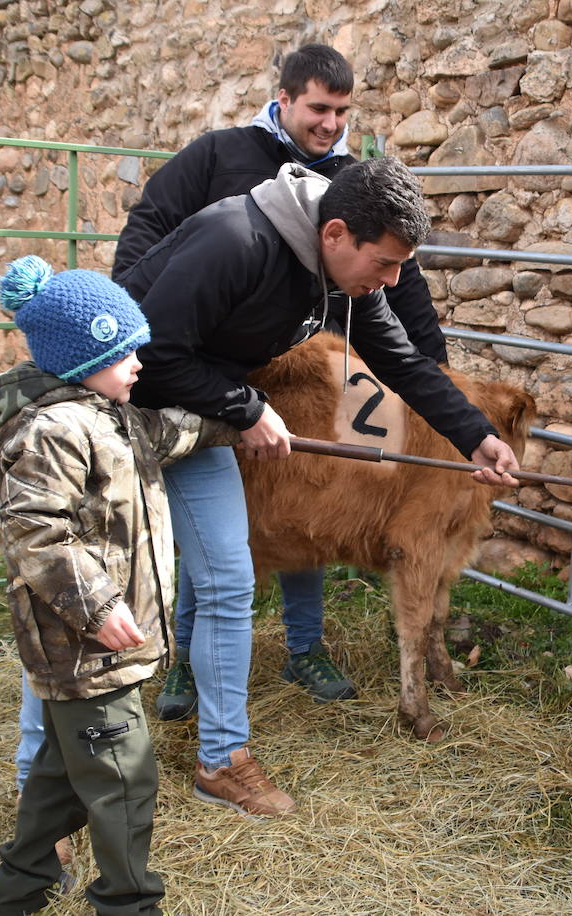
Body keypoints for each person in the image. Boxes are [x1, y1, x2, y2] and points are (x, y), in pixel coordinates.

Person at [112, 155, 518, 819]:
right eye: (384, 264)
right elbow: (147, 355)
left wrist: (476, 436)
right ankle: (51, 786)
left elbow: (406, 365)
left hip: (199, 419)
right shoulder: (234, 242)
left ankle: (221, 759)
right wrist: (246, 407)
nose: (390, 281)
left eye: (398, 267)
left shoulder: (338, 275)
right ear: (334, 235)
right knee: (87, 595)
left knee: (227, 580)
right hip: (116, 419)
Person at [114, 42, 448, 712]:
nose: (329, 124)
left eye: (342, 111)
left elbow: (397, 287)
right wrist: (137, 310)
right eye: (319, 108)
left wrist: (433, 369)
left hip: (313, 375)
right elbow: (152, 226)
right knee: (212, 523)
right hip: (211, 370)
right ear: (286, 97)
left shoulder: (354, 182)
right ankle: (182, 657)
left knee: (309, 509)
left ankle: (306, 648)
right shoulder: (220, 156)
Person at [0, 255, 235, 916]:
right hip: (85, 647)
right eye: (123, 350)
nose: (138, 362)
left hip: (104, 650)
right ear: (79, 356)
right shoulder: (52, 432)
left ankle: (19, 891)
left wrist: (242, 422)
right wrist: (96, 607)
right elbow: (37, 534)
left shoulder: (107, 413)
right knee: (126, 781)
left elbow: (171, 432)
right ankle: (129, 904)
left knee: (62, 779)